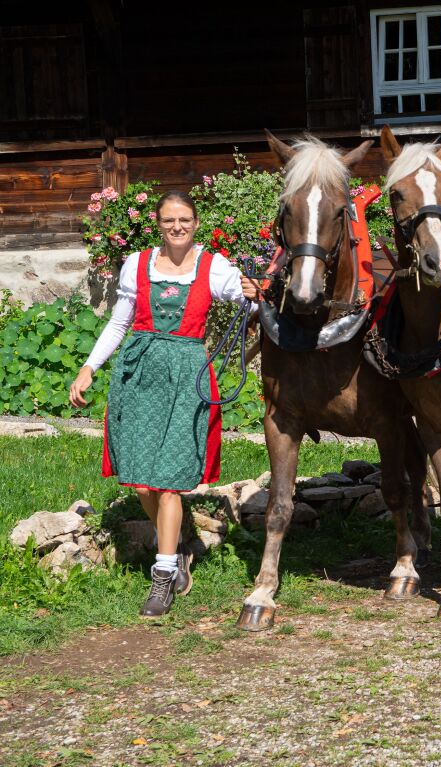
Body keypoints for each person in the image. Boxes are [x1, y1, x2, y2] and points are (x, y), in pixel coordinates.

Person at [70, 190, 259, 618]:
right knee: (141, 482)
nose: (178, 227)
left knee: (168, 481)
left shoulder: (214, 268)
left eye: (185, 220)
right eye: (170, 220)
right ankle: (176, 548)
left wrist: (252, 292)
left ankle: (164, 574)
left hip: (186, 374)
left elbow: (246, 304)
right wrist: (89, 367)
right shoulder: (137, 264)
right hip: (139, 371)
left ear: (196, 223)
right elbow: (119, 321)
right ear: (159, 223)